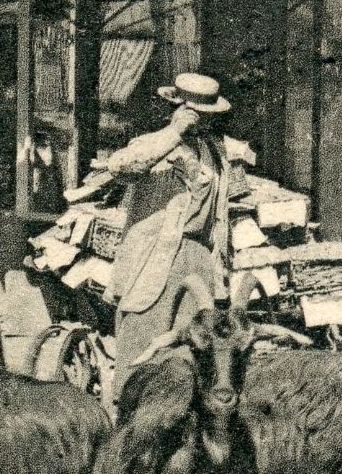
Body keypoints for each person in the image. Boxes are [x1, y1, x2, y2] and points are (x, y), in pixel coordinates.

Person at [107, 72, 254, 396]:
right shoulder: (154, 144)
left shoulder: (215, 153)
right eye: (197, 115)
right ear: (179, 109)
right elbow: (119, 167)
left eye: (208, 117)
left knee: (193, 349)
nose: (202, 123)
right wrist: (173, 131)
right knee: (144, 344)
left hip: (198, 261)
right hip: (155, 259)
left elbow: (221, 214)